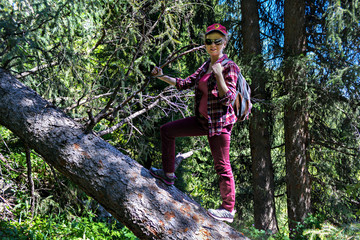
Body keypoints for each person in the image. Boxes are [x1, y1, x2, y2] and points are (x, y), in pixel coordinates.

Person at [150, 23, 240, 223]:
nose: (212, 45)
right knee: (167, 130)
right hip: (201, 121)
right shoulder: (205, 65)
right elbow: (184, 83)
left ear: (224, 43)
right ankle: (168, 175)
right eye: (209, 41)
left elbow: (229, 98)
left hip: (219, 124)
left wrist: (218, 75)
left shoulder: (230, 66)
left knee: (222, 165)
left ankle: (228, 210)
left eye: (217, 41)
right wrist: (161, 76)